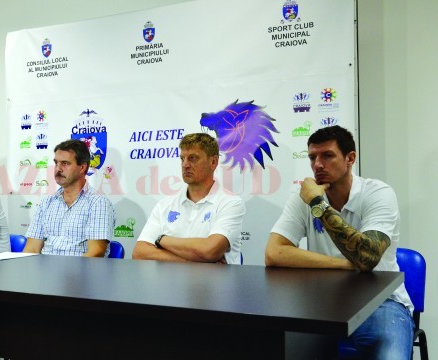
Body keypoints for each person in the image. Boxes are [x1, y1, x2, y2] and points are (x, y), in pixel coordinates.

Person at [264, 125, 414, 358]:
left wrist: (318, 204)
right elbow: (274, 253)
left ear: (350, 158)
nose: (318, 165)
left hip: (380, 303)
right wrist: (346, 265)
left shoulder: (377, 194)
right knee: (279, 347)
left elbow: (368, 256)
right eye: (312, 157)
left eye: (327, 155)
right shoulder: (303, 196)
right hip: (322, 302)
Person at [132, 133, 245, 264]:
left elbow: (211, 251)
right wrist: (192, 261)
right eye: (182, 159)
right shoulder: (164, 204)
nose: (185, 164)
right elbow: (140, 252)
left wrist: (162, 239)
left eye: (193, 158)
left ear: (213, 162)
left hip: (215, 283)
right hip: (169, 283)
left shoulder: (230, 203)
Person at [23, 139, 115, 257]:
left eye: (65, 163)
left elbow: (95, 253)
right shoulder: (47, 202)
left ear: (82, 168)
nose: (58, 169)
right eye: (56, 163)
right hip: (46, 272)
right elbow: (32, 249)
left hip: (80, 273)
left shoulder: (98, 203)